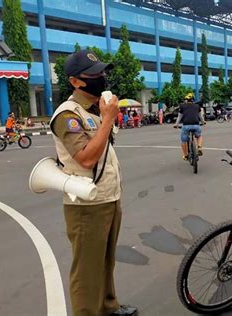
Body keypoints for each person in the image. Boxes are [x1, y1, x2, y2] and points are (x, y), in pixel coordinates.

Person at [49, 49, 137, 316]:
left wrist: (106, 117)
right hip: (85, 204)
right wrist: (109, 119)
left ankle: (109, 306)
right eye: (94, 74)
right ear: (75, 81)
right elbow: (86, 158)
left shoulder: (96, 109)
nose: (101, 77)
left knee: (106, 261)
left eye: (102, 72)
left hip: (108, 196)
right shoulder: (68, 115)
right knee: (87, 269)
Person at [173, 93, 204, 160]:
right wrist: (203, 122)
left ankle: (185, 155)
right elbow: (200, 116)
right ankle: (199, 147)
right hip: (196, 125)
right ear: (193, 100)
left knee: (183, 141)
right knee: (199, 136)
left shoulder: (182, 106)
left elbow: (179, 116)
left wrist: (176, 124)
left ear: (186, 100)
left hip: (186, 126)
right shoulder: (197, 106)